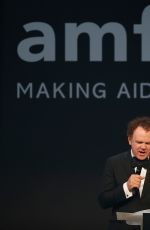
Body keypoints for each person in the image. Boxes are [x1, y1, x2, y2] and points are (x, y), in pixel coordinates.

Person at [98, 116, 150, 230]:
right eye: (139, 142)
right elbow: (103, 201)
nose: (143, 147)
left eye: (148, 143)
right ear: (129, 140)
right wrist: (126, 187)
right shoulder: (114, 162)